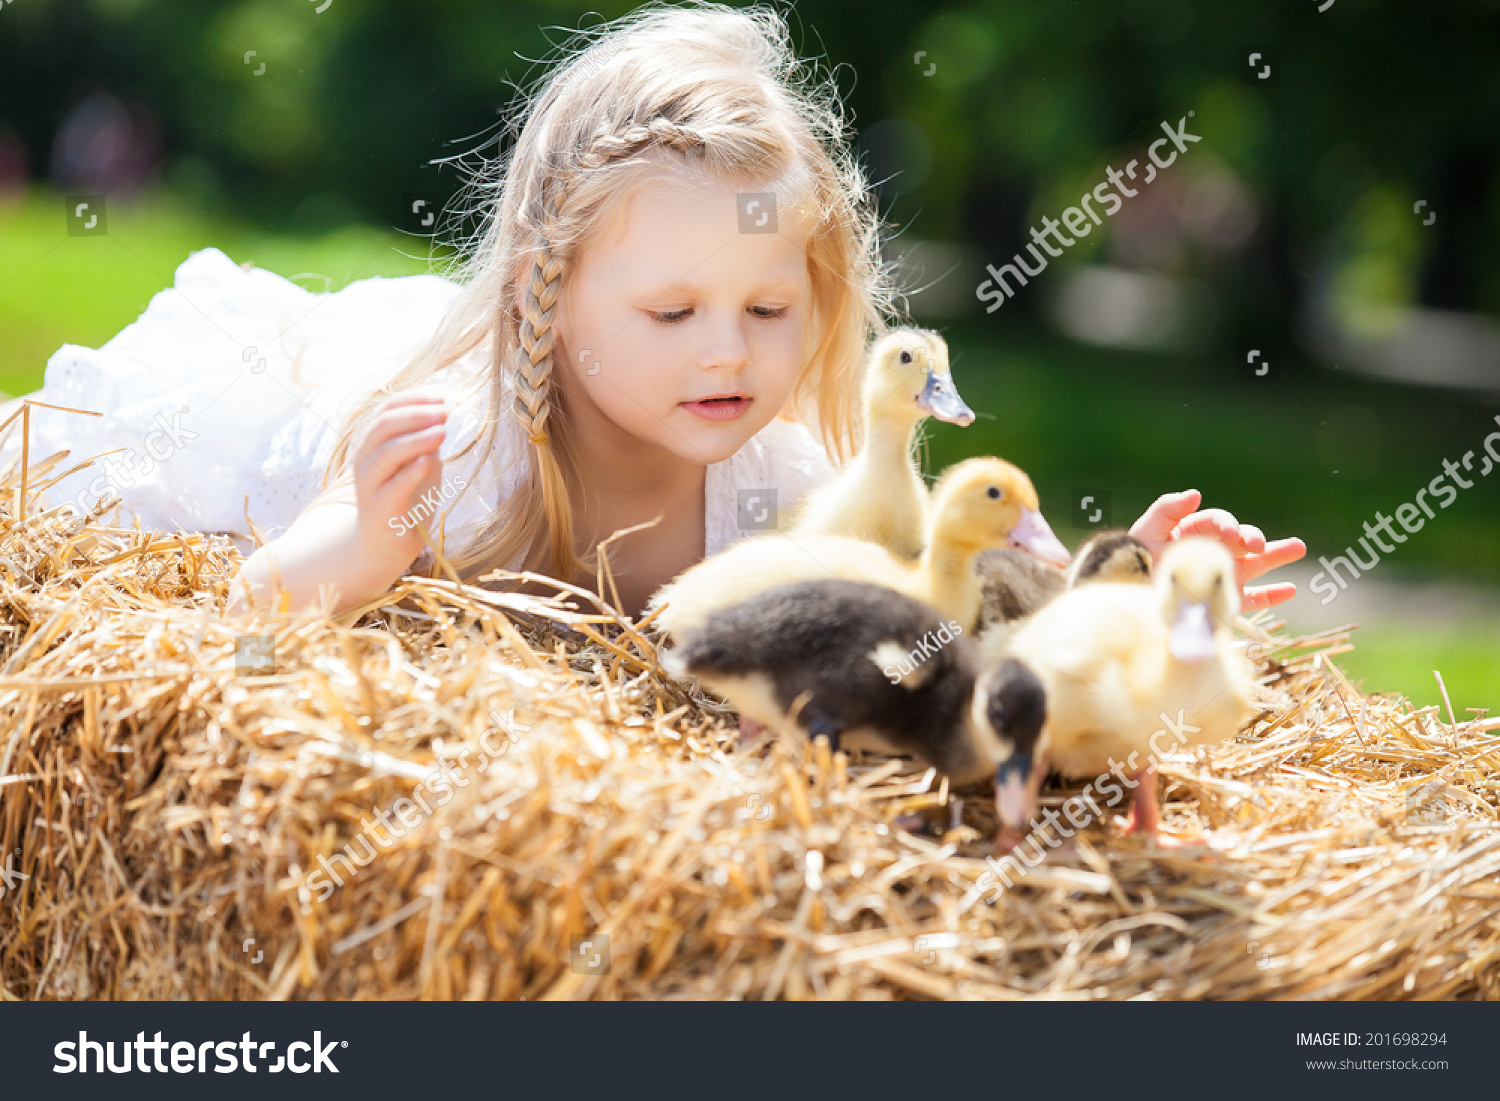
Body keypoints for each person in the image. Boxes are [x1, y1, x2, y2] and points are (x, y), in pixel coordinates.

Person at [3, 2, 1304, 622]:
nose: (731, 351)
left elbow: (958, 598)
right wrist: (349, 552)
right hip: (311, 430)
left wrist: (1133, 575)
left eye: (768, 305)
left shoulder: (783, 474)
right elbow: (232, 635)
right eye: (673, 310)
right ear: (550, 302)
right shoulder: (449, 469)